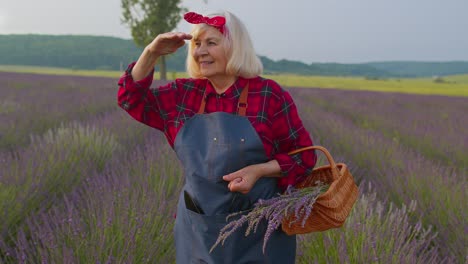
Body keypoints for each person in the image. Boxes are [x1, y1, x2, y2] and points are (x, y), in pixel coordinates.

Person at [117, 10, 317, 264]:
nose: (200, 51)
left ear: (236, 48)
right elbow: (130, 99)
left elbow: (304, 157)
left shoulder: (268, 94)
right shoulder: (184, 94)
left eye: (211, 43)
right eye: (197, 44)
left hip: (260, 233)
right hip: (197, 230)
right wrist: (152, 52)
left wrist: (260, 170)